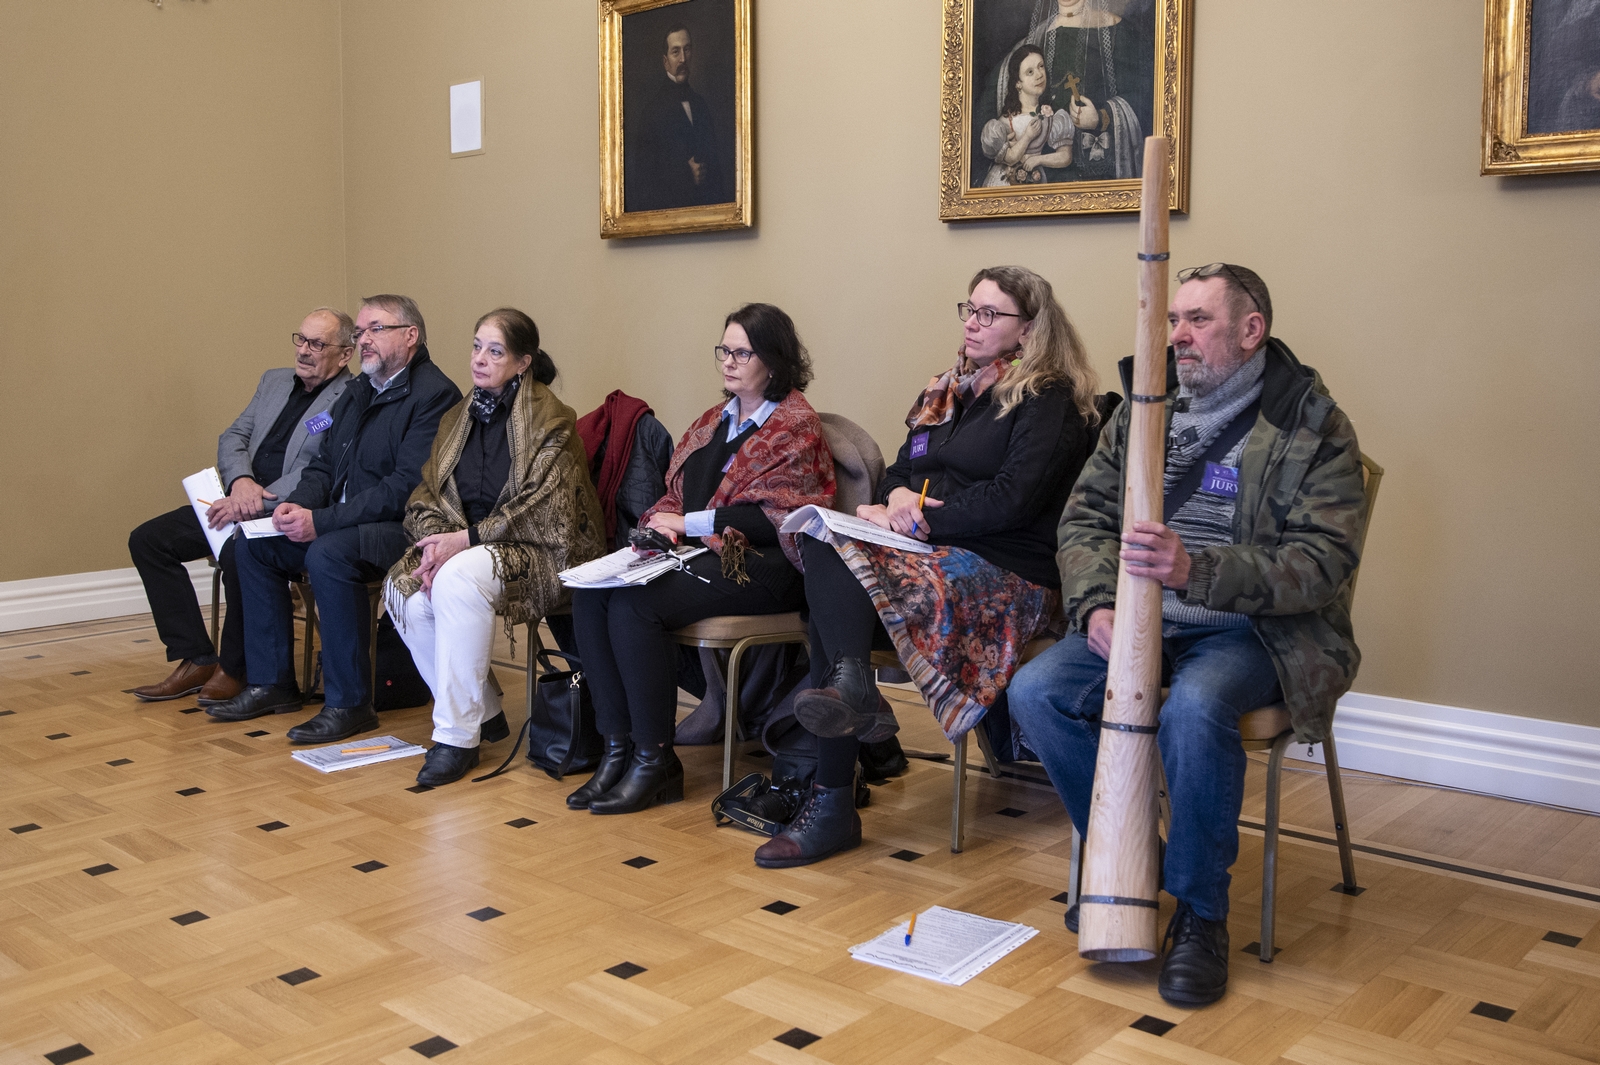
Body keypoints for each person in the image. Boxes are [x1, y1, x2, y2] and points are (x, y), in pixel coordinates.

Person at [1007, 263, 1367, 1007]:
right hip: (1137, 621)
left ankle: (1201, 912)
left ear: (1251, 330)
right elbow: (1084, 519)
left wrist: (1195, 569)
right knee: (1036, 691)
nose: (1177, 335)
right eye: (1173, 320)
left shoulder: (1314, 426)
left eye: (1198, 320)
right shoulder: (1144, 408)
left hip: (1253, 632)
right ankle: (1132, 860)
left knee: (1195, 709)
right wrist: (1096, 606)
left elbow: (1321, 564)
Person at [753, 265, 1101, 869]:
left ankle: (832, 800)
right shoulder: (945, 392)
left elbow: (1013, 501)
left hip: (1008, 569)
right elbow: (900, 470)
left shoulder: (1049, 398)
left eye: (989, 313)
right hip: (928, 551)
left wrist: (918, 521)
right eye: (969, 308)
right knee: (822, 539)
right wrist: (891, 500)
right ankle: (852, 700)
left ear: (1030, 329)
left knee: (838, 600)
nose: (972, 322)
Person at [568, 303, 835, 815]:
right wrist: (659, 526)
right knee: (592, 595)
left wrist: (686, 525)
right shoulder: (714, 420)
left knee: (635, 605)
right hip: (704, 555)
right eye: (724, 351)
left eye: (742, 353)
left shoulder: (795, 425)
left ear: (774, 361)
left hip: (766, 566)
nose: (728, 362)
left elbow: (779, 519)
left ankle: (655, 760)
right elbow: (676, 495)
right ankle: (616, 750)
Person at [208, 294, 462, 742]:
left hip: (405, 528)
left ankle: (349, 704)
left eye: (376, 329)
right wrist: (295, 506)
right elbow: (323, 466)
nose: (364, 340)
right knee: (254, 543)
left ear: (410, 336)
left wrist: (321, 521)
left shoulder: (434, 394)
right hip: (342, 520)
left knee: (327, 554)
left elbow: (403, 489)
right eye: (360, 332)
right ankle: (272, 683)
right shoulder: (359, 390)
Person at [384, 309, 606, 786]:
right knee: (405, 590)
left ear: (523, 362)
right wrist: (435, 545)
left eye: (495, 351)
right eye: (476, 346)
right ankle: (482, 711)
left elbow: (544, 509)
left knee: (457, 577)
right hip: (468, 547)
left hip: (545, 551)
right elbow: (428, 494)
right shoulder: (456, 418)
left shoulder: (552, 421)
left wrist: (462, 542)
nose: (479, 359)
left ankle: (455, 739)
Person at [126, 309, 354, 705]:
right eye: (301, 339)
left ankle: (235, 667)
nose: (303, 350)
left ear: (346, 354)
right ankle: (197, 658)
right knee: (149, 540)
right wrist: (241, 483)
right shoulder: (274, 380)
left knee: (239, 554)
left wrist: (258, 500)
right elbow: (234, 436)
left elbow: (320, 471)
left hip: (285, 511)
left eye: (317, 344)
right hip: (235, 499)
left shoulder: (350, 397)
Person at [974, 0, 1152, 185]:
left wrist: (1101, 117)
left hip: (1097, 178)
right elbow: (985, 108)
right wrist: (1003, 138)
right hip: (1042, 180)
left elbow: (1147, 99)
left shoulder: (1120, 32)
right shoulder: (1034, 39)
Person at [627, 24, 728, 211]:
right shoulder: (651, 112)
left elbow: (716, 170)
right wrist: (686, 175)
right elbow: (644, 183)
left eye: (687, 49)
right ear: (665, 61)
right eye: (676, 52)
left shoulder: (700, 105)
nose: (683, 59)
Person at [981, 45, 1077, 186]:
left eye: (1041, 66)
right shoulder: (1006, 121)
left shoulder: (1050, 116)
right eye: (1030, 72)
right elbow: (1009, 158)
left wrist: (1038, 160)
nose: (1039, 75)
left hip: (1036, 180)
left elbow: (1066, 157)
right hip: (1004, 183)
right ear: (1018, 83)